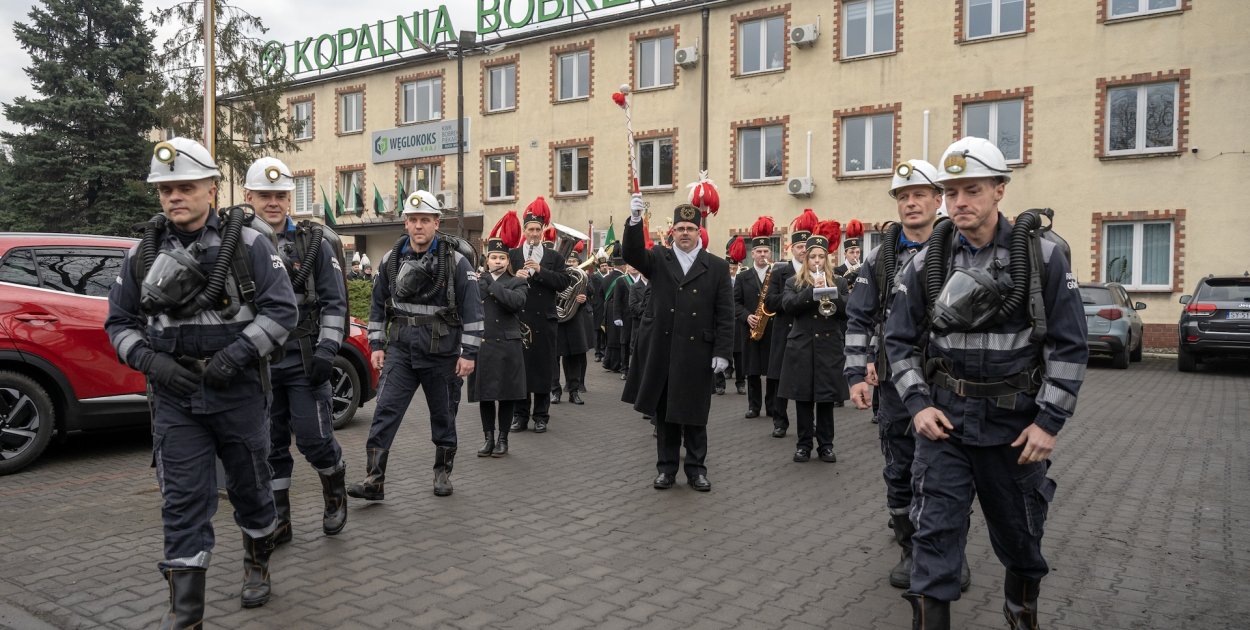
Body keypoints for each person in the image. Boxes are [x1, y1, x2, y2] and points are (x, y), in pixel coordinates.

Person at [884, 137, 1088, 628]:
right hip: (945, 429)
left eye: (972, 190)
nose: (959, 202)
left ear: (1000, 189)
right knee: (932, 543)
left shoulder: (1042, 257)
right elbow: (898, 341)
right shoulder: (925, 262)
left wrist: (1048, 422)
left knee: (1021, 542)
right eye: (951, 192)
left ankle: (1022, 613)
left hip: (1013, 432)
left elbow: (1069, 347)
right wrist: (917, 404)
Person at [105, 137, 298, 625]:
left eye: (186, 187)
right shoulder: (141, 254)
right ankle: (184, 615)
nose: (174, 197)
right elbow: (119, 323)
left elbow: (282, 312)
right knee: (183, 500)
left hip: (239, 392)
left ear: (211, 188)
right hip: (175, 397)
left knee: (251, 489)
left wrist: (234, 357)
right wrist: (151, 363)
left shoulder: (249, 243)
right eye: (166, 189)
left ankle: (257, 563)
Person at [845, 158, 957, 590]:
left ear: (937, 199)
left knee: (947, 471)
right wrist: (856, 373)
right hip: (894, 384)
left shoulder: (959, 249)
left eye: (919, 195)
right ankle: (910, 548)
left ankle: (949, 551)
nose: (911, 203)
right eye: (903, 196)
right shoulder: (879, 259)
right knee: (899, 466)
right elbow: (859, 318)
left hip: (947, 382)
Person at [348, 190, 482, 499]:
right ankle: (374, 480)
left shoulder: (457, 262)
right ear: (406, 223)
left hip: (442, 354)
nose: (418, 225)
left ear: (437, 222)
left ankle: (442, 473)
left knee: (443, 415)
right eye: (413, 219)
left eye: (425, 219)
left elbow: (474, 311)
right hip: (401, 351)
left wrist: (470, 353)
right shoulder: (391, 261)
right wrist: (377, 345)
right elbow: (378, 305)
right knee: (385, 411)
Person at [245, 157, 349, 545]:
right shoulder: (237, 243)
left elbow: (335, 302)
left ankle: (335, 495)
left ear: (290, 199)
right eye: (265, 195)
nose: (273, 202)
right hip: (258, 363)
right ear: (249, 197)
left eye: (280, 195)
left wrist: (327, 350)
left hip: (305, 360)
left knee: (314, 438)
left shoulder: (312, 242)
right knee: (268, 446)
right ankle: (280, 519)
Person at [621, 197, 734, 492]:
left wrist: (723, 352)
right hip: (664, 348)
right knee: (665, 414)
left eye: (690, 228)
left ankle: (696, 470)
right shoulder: (659, 258)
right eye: (680, 228)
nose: (685, 233)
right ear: (672, 232)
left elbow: (725, 314)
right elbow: (631, 253)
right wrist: (635, 220)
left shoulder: (717, 266)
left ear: (699, 232)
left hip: (698, 351)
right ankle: (666, 469)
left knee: (695, 415)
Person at [778, 226, 849, 463]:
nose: (816, 261)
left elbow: (847, 311)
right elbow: (789, 307)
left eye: (821, 256)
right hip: (802, 347)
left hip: (829, 347)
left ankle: (826, 445)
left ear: (826, 259)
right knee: (804, 399)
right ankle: (804, 445)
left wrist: (831, 292)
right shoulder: (794, 282)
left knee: (826, 399)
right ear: (806, 258)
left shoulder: (839, 282)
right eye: (812, 257)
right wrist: (812, 291)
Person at [508, 197, 572, 433]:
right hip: (520, 321)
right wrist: (515, 278)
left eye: (537, 229)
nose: (534, 234)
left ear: (543, 231)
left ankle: (541, 416)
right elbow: (502, 283)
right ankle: (520, 415)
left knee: (544, 369)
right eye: (530, 230)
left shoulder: (554, 257)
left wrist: (540, 270)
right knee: (521, 369)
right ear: (524, 231)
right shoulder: (513, 255)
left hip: (544, 321)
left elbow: (563, 282)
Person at [469, 236, 529, 457]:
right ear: (487, 260)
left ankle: (503, 439)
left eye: (502, 258)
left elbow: (516, 303)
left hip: (507, 345)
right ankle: (488, 438)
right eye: (493, 257)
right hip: (484, 344)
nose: (497, 261)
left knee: (506, 395)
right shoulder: (477, 282)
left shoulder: (518, 282)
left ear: (508, 261)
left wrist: (491, 284)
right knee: (485, 395)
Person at [764, 210, 819, 438]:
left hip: (807, 332)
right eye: (799, 246)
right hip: (784, 332)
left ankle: (808, 424)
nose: (803, 250)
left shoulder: (816, 271)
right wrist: (792, 300)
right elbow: (769, 301)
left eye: (806, 247)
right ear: (792, 249)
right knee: (780, 379)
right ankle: (780, 421)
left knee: (808, 380)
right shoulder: (780, 272)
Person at [733, 218, 777, 419]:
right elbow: (734, 303)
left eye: (766, 251)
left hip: (772, 328)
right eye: (758, 251)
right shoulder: (742, 277)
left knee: (772, 371)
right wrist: (746, 316)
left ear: (770, 254)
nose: (762, 255)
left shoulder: (777, 274)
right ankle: (754, 406)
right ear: (753, 254)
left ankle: (772, 406)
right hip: (750, 328)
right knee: (752, 371)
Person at [551, 250, 592, 405]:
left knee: (574, 357)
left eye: (572, 261)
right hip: (555, 321)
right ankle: (555, 391)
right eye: (566, 261)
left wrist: (582, 299)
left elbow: (590, 292)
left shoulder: (579, 276)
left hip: (573, 320)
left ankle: (574, 391)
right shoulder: (553, 276)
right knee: (554, 358)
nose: (569, 264)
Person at [605, 261, 638, 379]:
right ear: (627, 267)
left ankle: (637, 369)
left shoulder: (644, 279)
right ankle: (625, 369)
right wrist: (617, 317)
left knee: (639, 343)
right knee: (625, 343)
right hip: (626, 317)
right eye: (631, 265)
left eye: (635, 265)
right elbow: (617, 300)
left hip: (640, 317)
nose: (634, 267)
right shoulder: (621, 280)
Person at [599, 257, 626, 370]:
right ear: (623, 266)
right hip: (618, 309)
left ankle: (608, 361)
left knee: (610, 336)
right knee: (617, 337)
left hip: (607, 309)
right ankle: (615, 364)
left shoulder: (606, 277)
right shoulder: (623, 279)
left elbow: (600, 294)